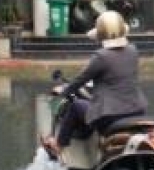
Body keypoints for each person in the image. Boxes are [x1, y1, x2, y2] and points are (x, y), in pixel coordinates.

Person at [43, 10, 147, 155]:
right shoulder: (133, 51)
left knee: (75, 106)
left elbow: (80, 80)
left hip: (110, 115)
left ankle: (58, 145)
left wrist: (64, 91)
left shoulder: (100, 57)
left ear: (100, 36)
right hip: (137, 111)